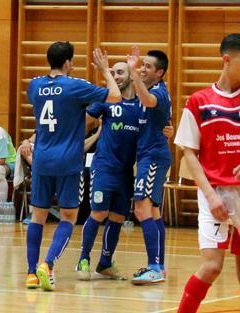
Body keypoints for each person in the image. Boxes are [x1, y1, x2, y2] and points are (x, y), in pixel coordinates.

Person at [25, 41, 121, 291]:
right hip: (68, 160)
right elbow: (115, 96)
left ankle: (31, 273)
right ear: (68, 63)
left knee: (38, 216)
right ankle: (48, 264)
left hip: (42, 159)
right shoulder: (75, 86)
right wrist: (105, 71)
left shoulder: (34, 85)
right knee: (68, 216)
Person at [76, 62, 174, 282]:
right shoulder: (107, 101)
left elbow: (159, 122)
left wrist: (169, 129)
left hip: (126, 172)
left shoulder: (141, 104)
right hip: (103, 168)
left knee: (118, 217)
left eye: (120, 72)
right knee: (99, 213)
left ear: (131, 75)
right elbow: (83, 121)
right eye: (112, 73)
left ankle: (105, 263)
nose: (116, 76)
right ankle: (83, 259)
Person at [175, 33, 240, 313]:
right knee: (212, 266)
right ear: (227, 59)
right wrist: (211, 196)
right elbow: (189, 153)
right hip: (214, 193)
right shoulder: (199, 101)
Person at [126, 47, 172, 285]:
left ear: (160, 72)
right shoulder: (150, 90)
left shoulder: (158, 93)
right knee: (152, 212)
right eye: (142, 64)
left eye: (148, 66)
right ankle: (159, 266)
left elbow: (148, 100)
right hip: (149, 155)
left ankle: (154, 266)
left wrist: (133, 73)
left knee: (141, 210)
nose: (143, 69)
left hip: (153, 156)